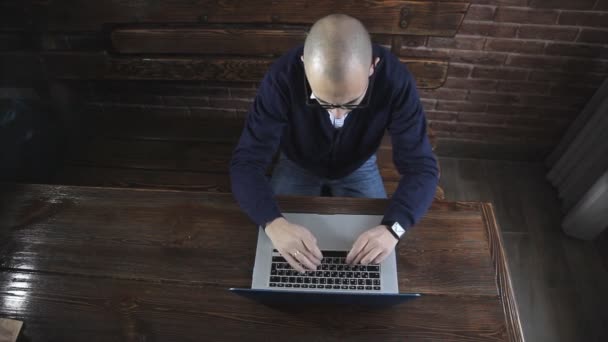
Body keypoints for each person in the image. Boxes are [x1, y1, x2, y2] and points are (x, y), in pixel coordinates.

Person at [230, 14, 438, 273]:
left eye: (352, 103)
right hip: (297, 162)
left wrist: (393, 228)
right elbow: (246, 162)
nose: (338, 116)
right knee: (278, 252)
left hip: (358, 165)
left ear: (372, 67)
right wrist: (273, 223)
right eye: (324, 101)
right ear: (305, 66)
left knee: (377, 259)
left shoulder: (396, 81)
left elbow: (421, 167)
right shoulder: (281, 77)